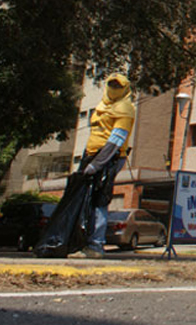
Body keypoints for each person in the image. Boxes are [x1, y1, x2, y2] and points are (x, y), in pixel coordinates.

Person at [68, 73, 136, 259]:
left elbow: (116, 140)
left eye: (118, 86)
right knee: (86, 200)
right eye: (111, 84)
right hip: (91, 155)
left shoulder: (125, 108)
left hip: (108, 159)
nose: (114, 88)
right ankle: (79, 242)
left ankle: (95, 245)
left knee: (99, 199)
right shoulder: (103, 105)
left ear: (125, 88)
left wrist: (96, 165)